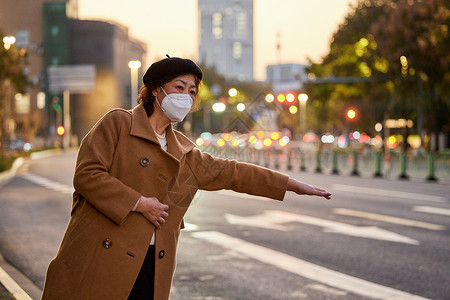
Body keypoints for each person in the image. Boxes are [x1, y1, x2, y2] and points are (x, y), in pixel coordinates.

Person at [41, 56, 331, 300]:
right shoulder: (118, 123)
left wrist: (291, 184)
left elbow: (231, 173)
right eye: (179, 87)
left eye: (192, 91)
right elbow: (87, 175)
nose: (186, 96)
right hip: (102, 259)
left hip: (151, 263)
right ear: (156, 90)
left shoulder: (184, 151)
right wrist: (139, 203)